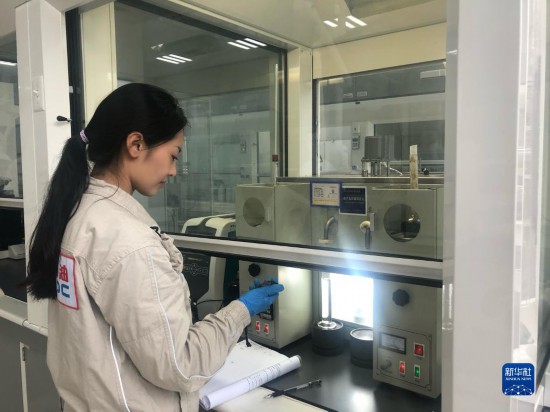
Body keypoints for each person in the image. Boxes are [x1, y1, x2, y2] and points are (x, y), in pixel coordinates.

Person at [23, 83, 284, 411]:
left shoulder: (78, 211)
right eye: (173, 155)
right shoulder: (130, 242)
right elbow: (180, 365)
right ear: (136, 144)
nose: (173, 170)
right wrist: (241, 311)